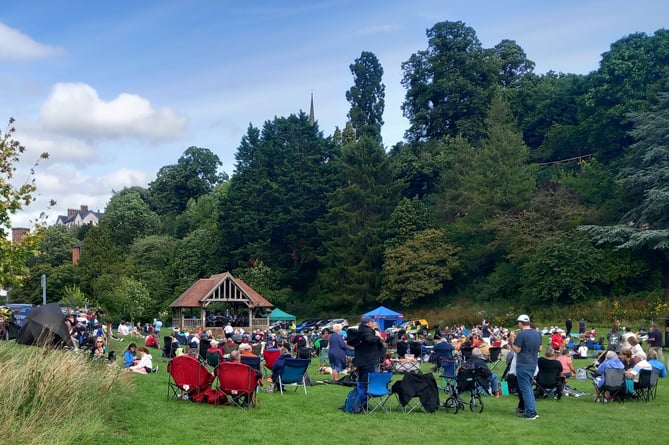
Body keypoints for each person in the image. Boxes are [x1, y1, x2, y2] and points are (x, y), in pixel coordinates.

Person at [509, 314, 541, 420]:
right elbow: (540, 348)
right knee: (529, 388)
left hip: (523, 364)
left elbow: (517, 350)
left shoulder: (522, 335)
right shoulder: (537, 334)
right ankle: (532, 410)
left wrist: (512, 340)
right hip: (533, 363)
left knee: (525, 389)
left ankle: (530, 412)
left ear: (520, 323)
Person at [353, 316, 385, 392]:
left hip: (361, 358)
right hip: (368, 359)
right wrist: (378, 338)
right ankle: (364, 396)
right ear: (368, 323)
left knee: (362, 376)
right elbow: (369, 339)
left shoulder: (360, 330)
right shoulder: (367, 330)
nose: (373, 324)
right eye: (372, 322)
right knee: (367, 377)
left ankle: (360, 394)